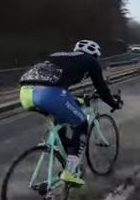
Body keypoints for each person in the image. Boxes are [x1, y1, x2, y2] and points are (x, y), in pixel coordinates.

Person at [18, 40, 120, 185]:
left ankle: (66, 156)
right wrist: (113, 103)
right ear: (95, 55)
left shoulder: (57, 55)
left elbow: (53, 80)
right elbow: (101, 88)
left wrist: (73, 99)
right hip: (50, 94)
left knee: (62, 122)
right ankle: (70, 172)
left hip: (26, 93)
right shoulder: (91, 61)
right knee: (81, 124)